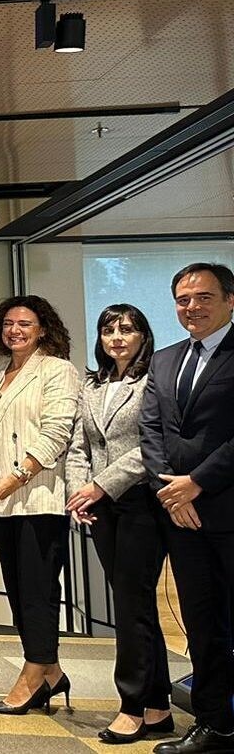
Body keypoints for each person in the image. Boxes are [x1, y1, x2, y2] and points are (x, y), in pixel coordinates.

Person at [65, 305, 173, 743]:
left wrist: (101, 487)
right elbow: (78, 445)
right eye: (108, 330)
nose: (117, 338)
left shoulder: (155, 381)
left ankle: (131, 705)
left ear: (143, 335)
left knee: (132, 607)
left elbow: (152, 444)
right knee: (136, 606)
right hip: (100, 505)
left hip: (140, 504)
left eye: (126, 330)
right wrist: (80, 492)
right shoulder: (92, 384)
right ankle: (158, 707)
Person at [0, 295, 81, 715]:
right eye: (8, 323)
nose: (15, 330)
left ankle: (33, 675)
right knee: (18, 590)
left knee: (37, 590)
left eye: (25, 324)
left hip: (38, 497)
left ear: (43, 330)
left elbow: (57, 433)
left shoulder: (58, 370)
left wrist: (12, 480)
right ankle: (52, 672)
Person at [142, 263, 234, 754]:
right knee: (202, 624)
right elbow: (152, 430)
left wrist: (197, 482)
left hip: (225, 505)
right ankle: (216, 725)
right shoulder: (166, 359)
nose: (191, 307)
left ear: (230, 300)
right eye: (182, 299)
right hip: (181, 514)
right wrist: (171, 491)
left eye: (202, 297)